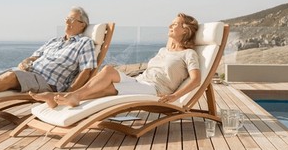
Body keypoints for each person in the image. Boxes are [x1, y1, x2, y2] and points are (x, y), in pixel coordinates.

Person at [31, 13, 200, 109]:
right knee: (108, 79)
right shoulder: (164, 50)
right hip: (139, 82)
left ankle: (65, 96)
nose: (170, 26)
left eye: (175, 24)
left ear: (185, 30)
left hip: (156, 90)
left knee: (109, 74)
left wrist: (174, 96)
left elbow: (196, 80)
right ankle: (60, 97)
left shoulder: (189, 54)